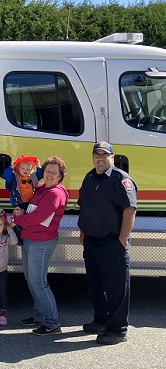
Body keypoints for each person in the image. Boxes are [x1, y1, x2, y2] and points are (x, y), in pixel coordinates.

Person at [78, 142, 137, 345]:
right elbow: (84, 205)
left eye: (105, 155)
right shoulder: (90, 177)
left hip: (112, 242)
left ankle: (118, 329)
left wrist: (123, 238)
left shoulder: (120, 179)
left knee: (116, 287)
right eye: (97, 155)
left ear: (112, 157)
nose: (100, 158)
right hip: (92, 241)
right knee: (95, 285)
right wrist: (83, 230)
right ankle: (101, 320)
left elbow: (130, 209)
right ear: (93, 157)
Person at [11, 156, 68, 336]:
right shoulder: (42, 187)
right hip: (30, 239)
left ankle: (52, 323)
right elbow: (29, 206)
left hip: (41, 242)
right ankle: (40, 315)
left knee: (38, 282)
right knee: (31, 279)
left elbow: (38, 218)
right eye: (48, 171)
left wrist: (17, 219)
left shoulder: (55, 193)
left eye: (54, 172)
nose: (50, 175)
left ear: (60, 176)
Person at [3, 155, 44, 245]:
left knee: (28, 219)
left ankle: (27, 235)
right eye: (23, 168)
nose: (26, 171)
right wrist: (11, 167)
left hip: (30, 202)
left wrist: (38, 166)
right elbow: (6, 175)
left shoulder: (32, 177)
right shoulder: (14, 178)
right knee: (18, 218)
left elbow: (40, 175)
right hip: (18, 203)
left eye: (28, 169)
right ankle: (17, 234)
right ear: (17, 168)